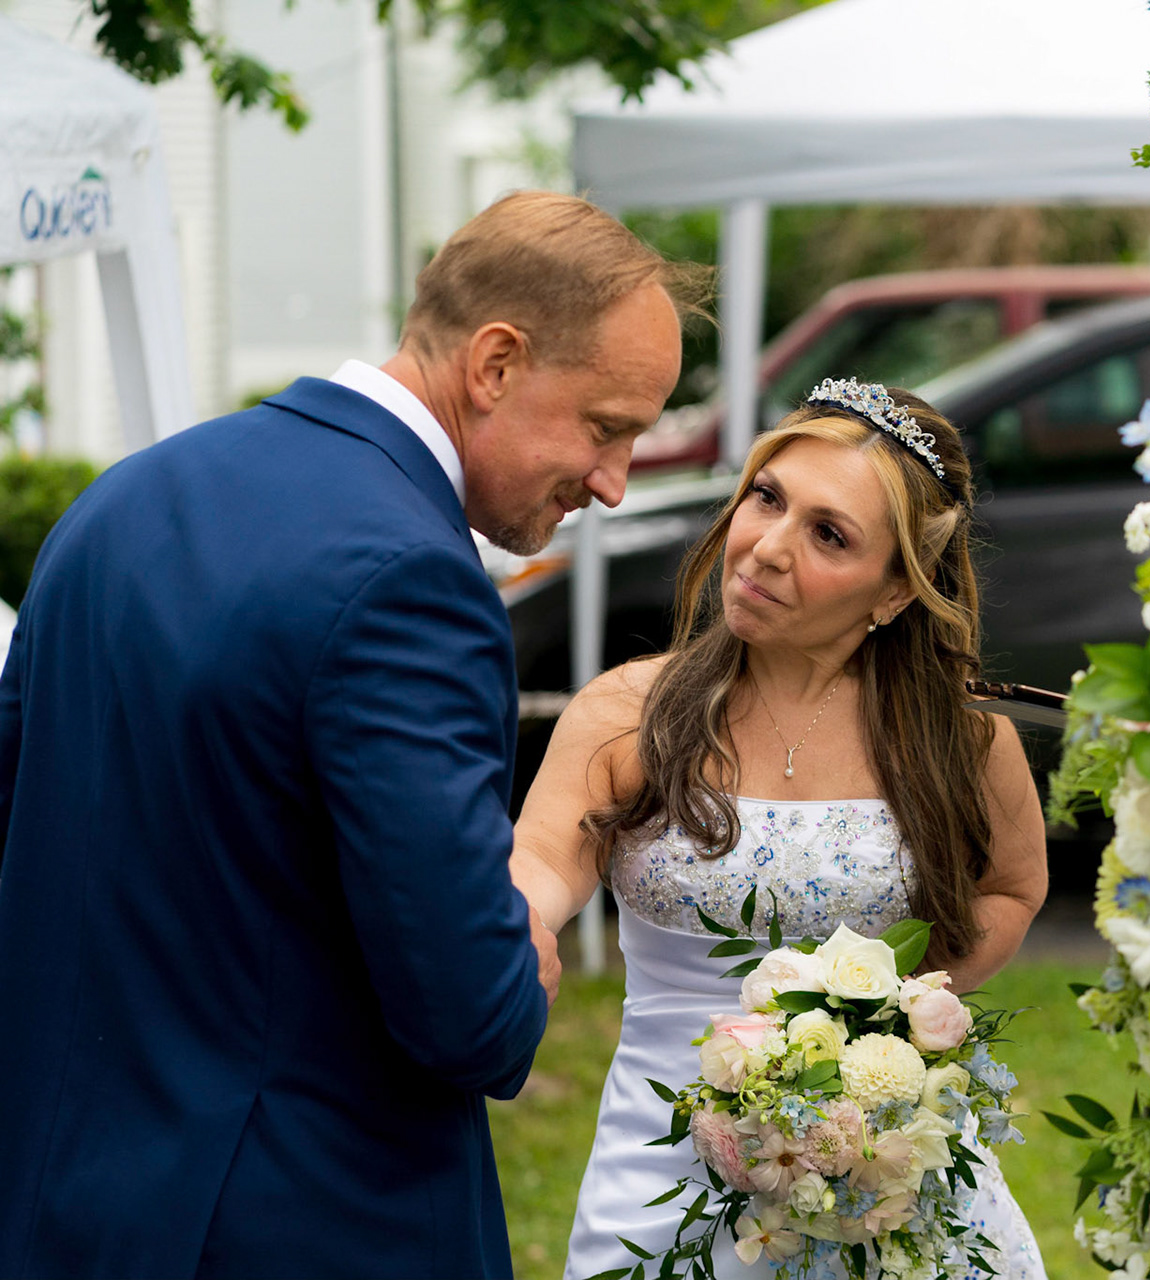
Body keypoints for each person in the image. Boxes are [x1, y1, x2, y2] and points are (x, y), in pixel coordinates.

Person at [0, 191, 701, 1278]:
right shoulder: (412, 578)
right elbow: (467, 1011)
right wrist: (518, 961)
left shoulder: (118, 502)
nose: (611, 481)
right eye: (606, 426)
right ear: (497, 361)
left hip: (64, 1204)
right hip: (302, 1219)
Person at [510, 383, 1051, 1279]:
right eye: (767, 498)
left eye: (828, 534)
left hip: (884, 1168)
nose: (767, 546)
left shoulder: (962, 739)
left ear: (893, 593)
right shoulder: (627, 713)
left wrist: (885, 1023)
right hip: (666, 1170)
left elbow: (1011, 887)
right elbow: (543, 857)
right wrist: (521, 915)